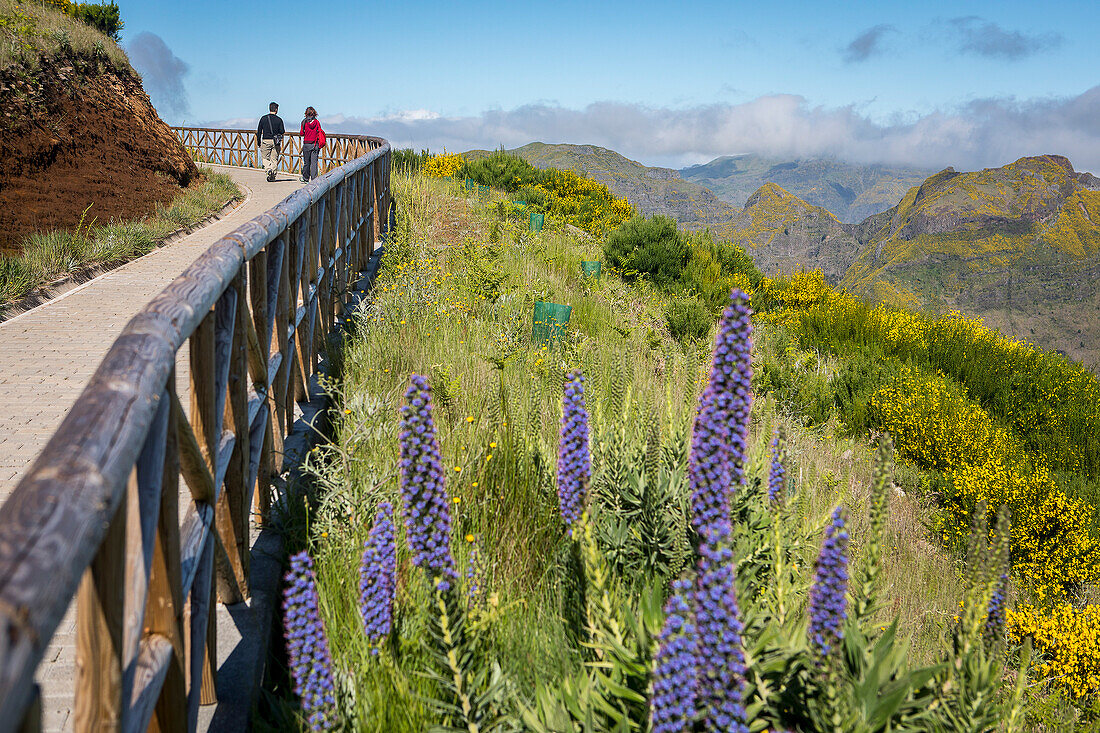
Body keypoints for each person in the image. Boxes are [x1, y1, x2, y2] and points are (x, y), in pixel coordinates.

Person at [256, 102, 285, 182]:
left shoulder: (263, 118)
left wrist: (258, 142)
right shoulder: (279, 120)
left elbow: (259, 131)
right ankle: (273, 175)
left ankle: (268, 169)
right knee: (274, 159)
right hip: (276, 142)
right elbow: (282, 131)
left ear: (269, 108)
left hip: (266, 140)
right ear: (276, 109)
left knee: (265, 158)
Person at [299, 106, 325, 182]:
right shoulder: (317, 122)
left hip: (306, 144)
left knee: (307, 162)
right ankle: (314, 179)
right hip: (315, 145)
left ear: (306, 113)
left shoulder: (304, 122)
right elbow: (319, 131)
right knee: (314, 163)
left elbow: (301, 133)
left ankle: (305, 178)